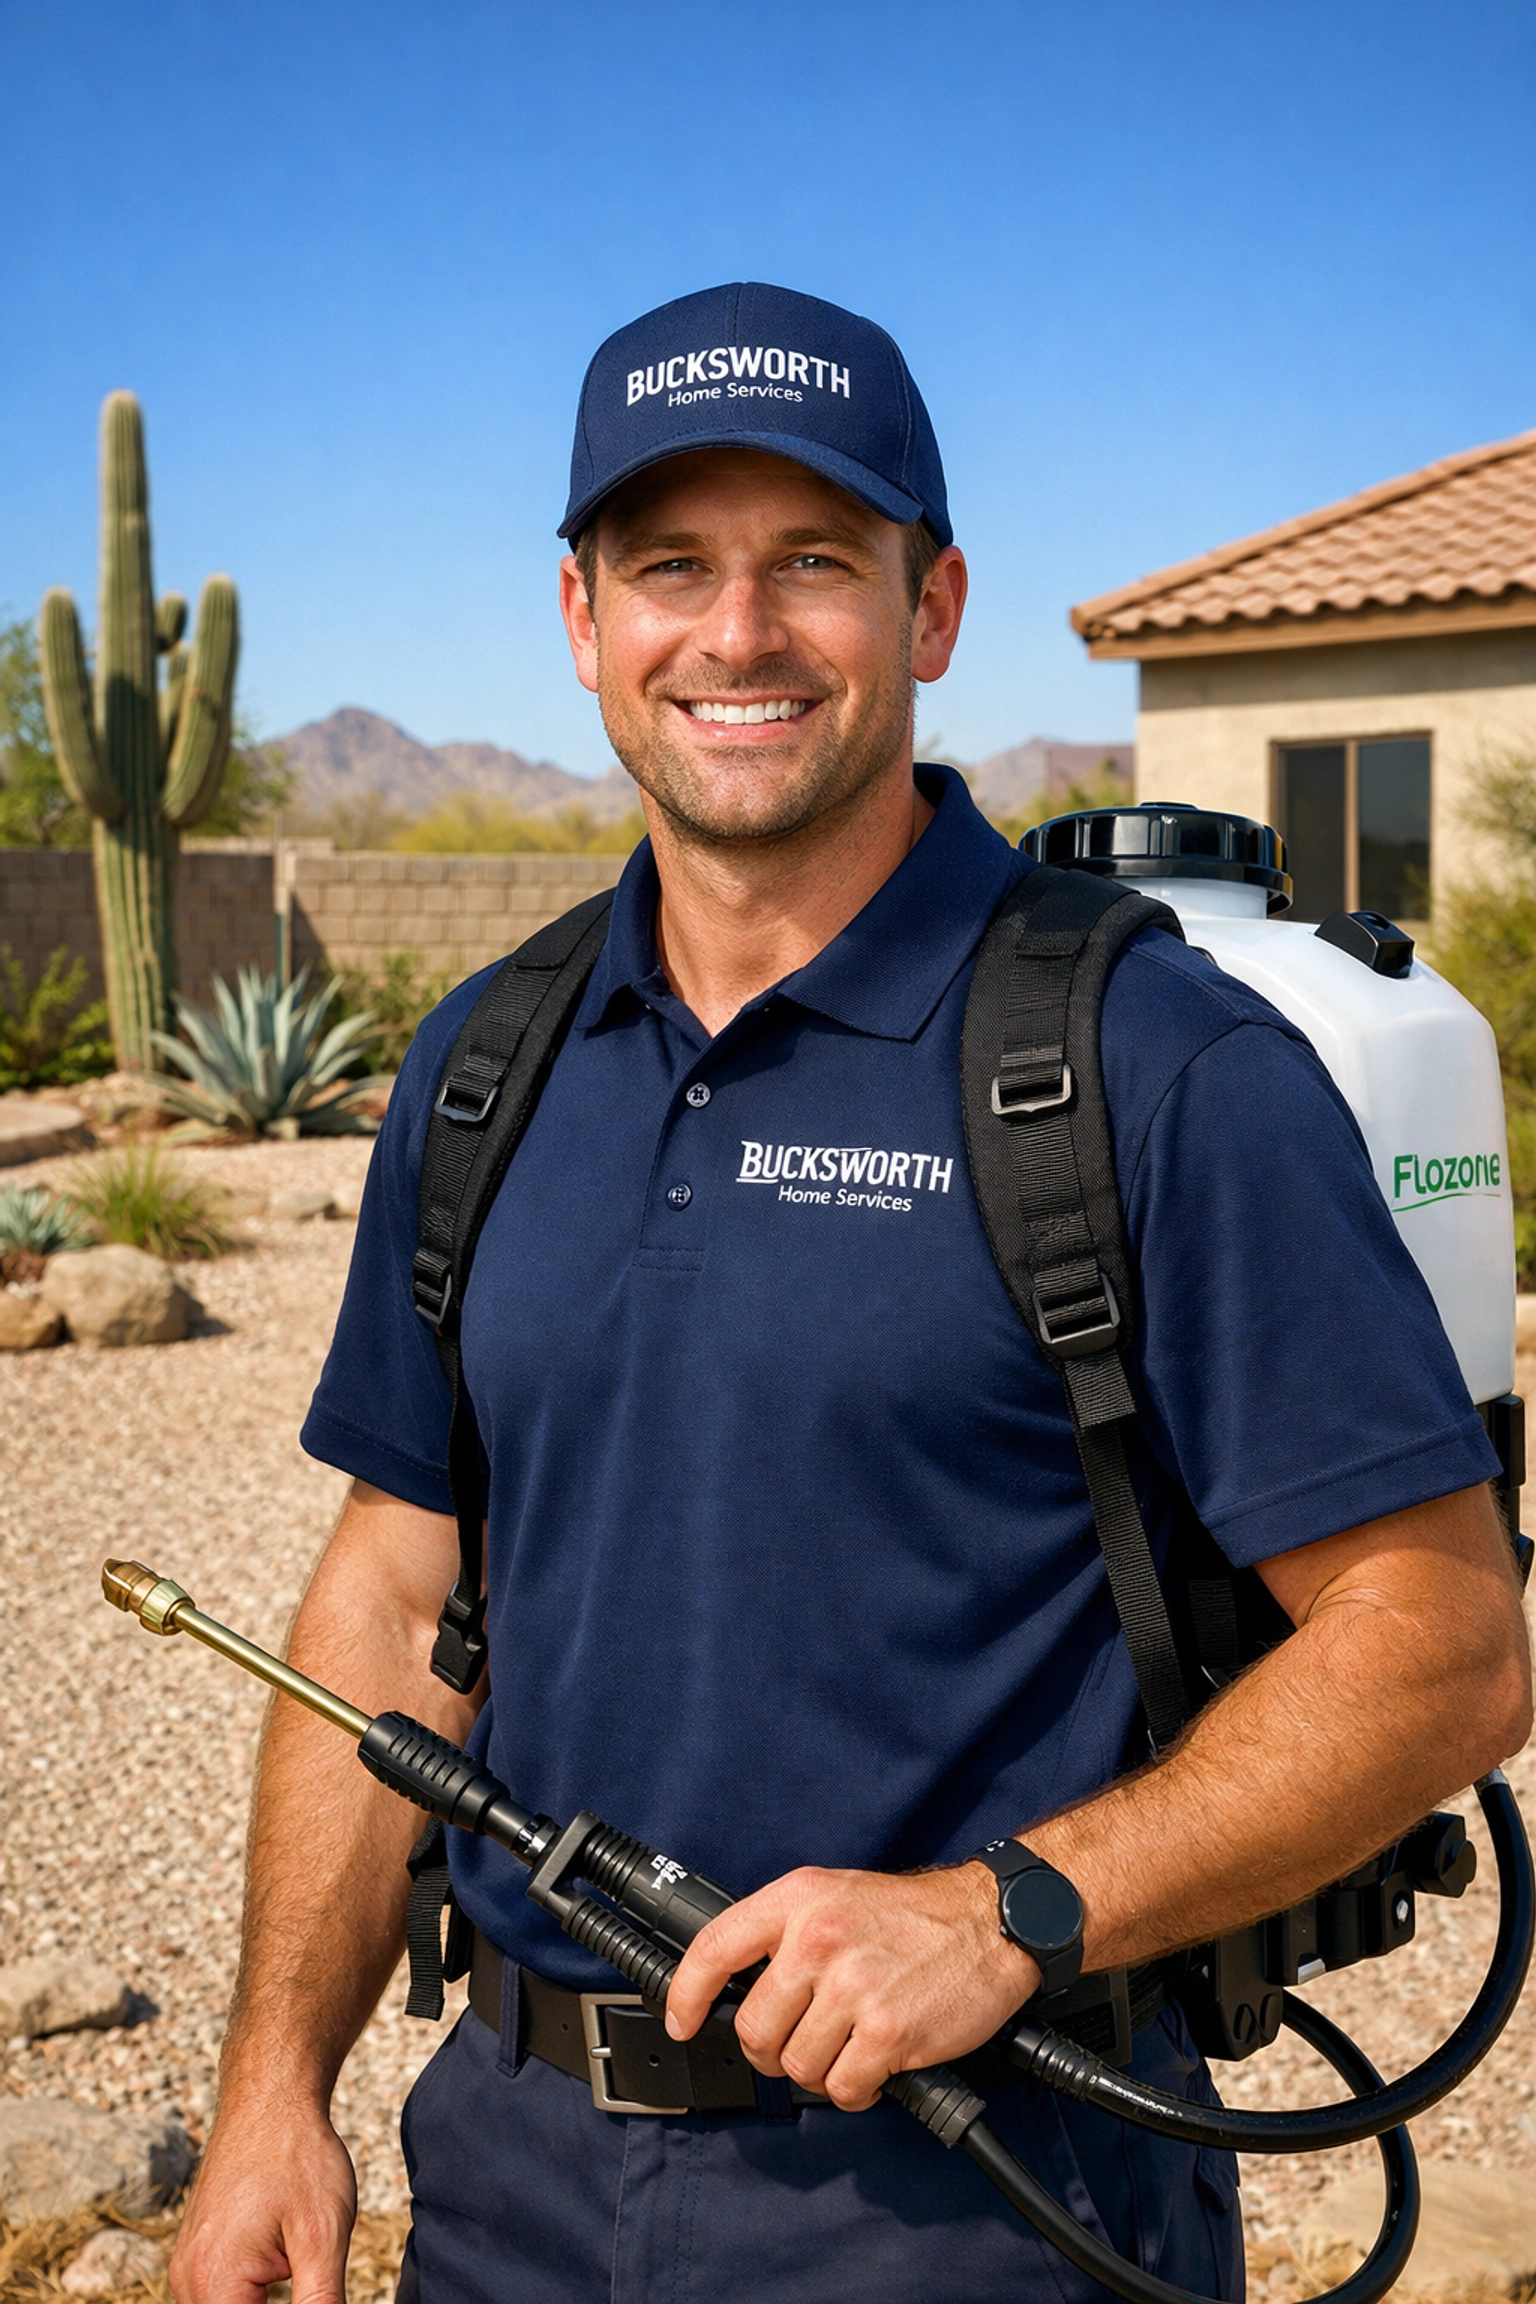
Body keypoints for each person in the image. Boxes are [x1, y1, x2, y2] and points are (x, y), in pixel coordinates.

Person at [169, 283, 1531, 2304]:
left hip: (986, 2199)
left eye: (815, 561)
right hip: (509, 2190)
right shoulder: (484, 1065)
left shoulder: (1153, 1070)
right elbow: (394, 1582)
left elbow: (1444, 1641)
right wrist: (272, 2085)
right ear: (582, 624)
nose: (737, 634)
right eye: (671, 568)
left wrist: (1004, 1913)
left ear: (937, 607)